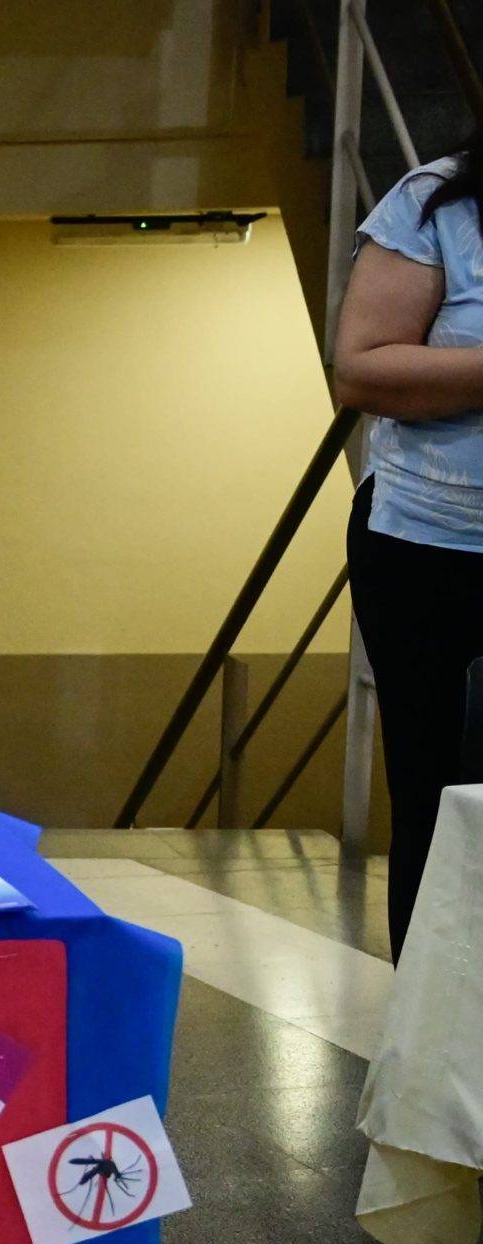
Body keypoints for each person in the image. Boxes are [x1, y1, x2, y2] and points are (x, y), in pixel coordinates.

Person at [334, 124, 483, 957]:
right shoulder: (435, 205)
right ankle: (435, 1054)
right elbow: (360, 369)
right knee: (443, 801)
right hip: (435, 553)